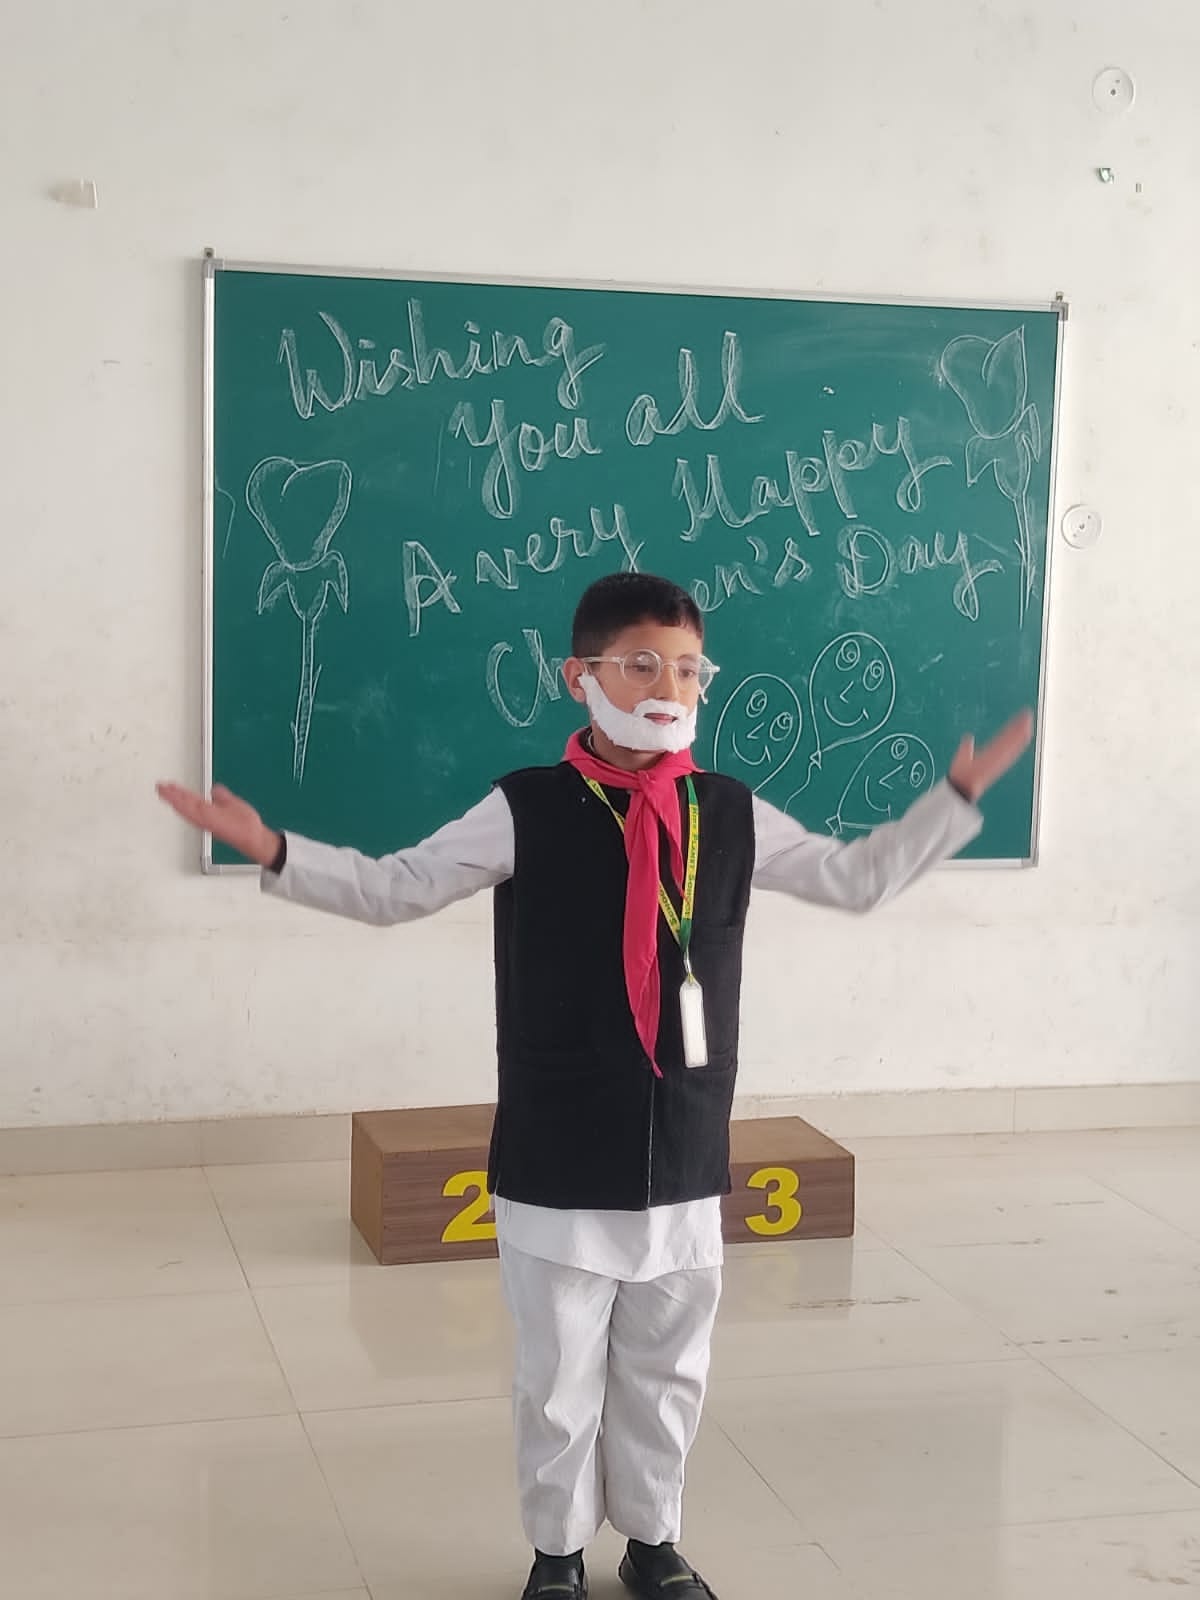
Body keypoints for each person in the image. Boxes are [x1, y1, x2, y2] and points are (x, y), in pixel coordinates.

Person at [158, 572, 1032, 1600]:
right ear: (580, 675)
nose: (667, 684)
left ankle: (654, 1542)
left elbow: (857, 878)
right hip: (560, 1147)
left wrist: (955, 800)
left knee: (668, 1371)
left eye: (687, 666)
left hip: (684, 1150)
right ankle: (558, 1551)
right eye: (640, 662)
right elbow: (399, 887)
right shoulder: (525, 806)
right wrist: (275, 850)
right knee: (560, 1378)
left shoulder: (729, 810)